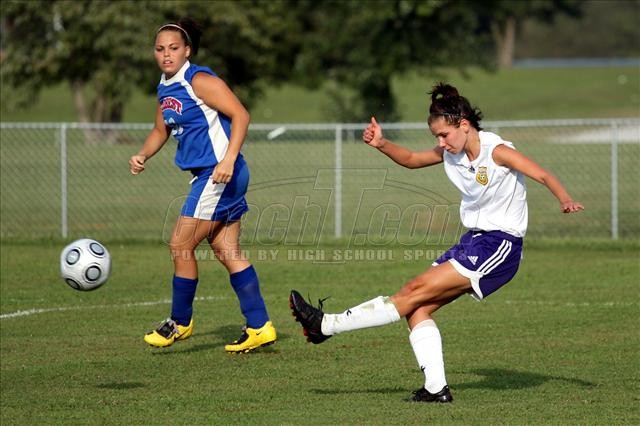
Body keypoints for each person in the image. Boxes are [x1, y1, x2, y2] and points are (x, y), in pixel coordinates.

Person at [290, 82, 584, 402]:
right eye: (436, 137)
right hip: (473, 241)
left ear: (464, 125)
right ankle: (436, 388)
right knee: (417, 308)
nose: (440, 143)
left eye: (444, 135)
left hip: (500, 246)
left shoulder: (497, 151)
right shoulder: (452, 152)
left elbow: (543, 174)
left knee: (412, 290)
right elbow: (411, 159)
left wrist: (565, 199)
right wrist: (382, 143)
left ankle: (325, 325)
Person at [129, 18, 276, 353]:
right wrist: (143, 154)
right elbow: (160, 130)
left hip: (219, 173)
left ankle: (179, 322)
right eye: (160, 49)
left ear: (188, 51)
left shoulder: (199, 80)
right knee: (226, 250)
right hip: (213, 174)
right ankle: (259, 326)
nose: (166, 54)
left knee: (180, 244)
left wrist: (228, 160)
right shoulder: (166, 87)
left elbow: (241, 115)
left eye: (174, 48)